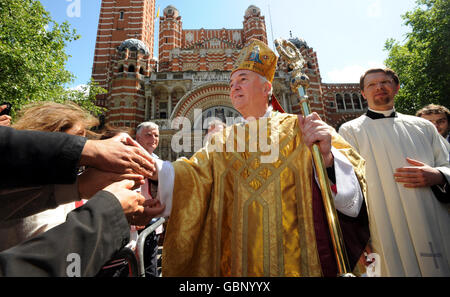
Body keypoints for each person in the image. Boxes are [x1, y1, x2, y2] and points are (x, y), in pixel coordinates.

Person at [155, 39, 369, 277]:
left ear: (267, 88)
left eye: (243, 80)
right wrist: (152, 171)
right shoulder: (222, 140)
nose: (234, 87)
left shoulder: (302, 128)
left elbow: (354, 196)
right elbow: (193, 176)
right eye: (231, 83)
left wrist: (328, 158)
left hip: (302, 262)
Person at [0, 126, 160, 276]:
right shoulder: (40, 214)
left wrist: (80, 183)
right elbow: (55, 261)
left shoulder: (35, 193)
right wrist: (113, 210)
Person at [339, 68, 450, 276]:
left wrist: (438, 175)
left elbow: (447, 164)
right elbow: (348, 189)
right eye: (371, 84)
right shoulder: (349, 131)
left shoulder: (424, 127)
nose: (379, 87)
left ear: (396, 88)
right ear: (363, 93)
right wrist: (357, 238)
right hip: (381, 229)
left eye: (385, 82)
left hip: (430, 223)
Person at [0, 101, 105, 251]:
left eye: (84, 138)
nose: (83, 146)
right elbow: (56, 251)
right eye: (76, 140)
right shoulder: (35, 189)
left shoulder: (53, 182)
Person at [135, 121, 164, 277]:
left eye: (156, 135)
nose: (153, 138)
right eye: (148, 135)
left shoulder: (156, 159)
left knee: (150, 268)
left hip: (152, 224)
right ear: (138, 138)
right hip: (133, 223)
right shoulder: (131, 156)